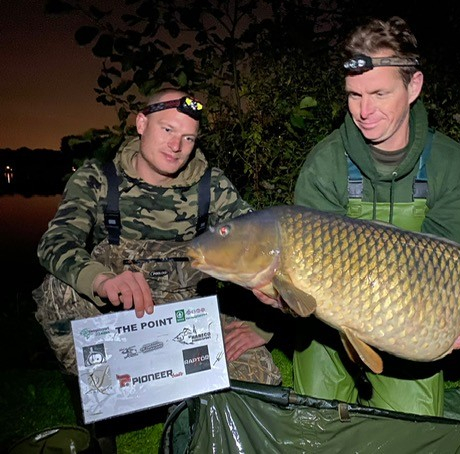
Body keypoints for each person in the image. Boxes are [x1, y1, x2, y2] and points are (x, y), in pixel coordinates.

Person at [33, 88, 280, 447]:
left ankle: (196, 418)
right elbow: (54, 243)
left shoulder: (212, 186)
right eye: (167, 130)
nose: (177, 146)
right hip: (120, 315)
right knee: (58, 289)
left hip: (188, 317)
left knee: (257, 376)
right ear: (142, 123)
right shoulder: (98, 178)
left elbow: (268, 248)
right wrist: (101, 281)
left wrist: (264, 325)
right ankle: (101, 408)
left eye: (188, 137)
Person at [291, 16, 460, 417]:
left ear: (414, 87)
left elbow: (444, 271)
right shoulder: (325, 164)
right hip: (331, 329)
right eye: (354, 95)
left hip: (409, 324)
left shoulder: (452, 165)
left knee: (410, 432)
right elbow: (302, 274)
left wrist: (458, 319)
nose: (364, 111)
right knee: (313, 427)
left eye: (379, 93)